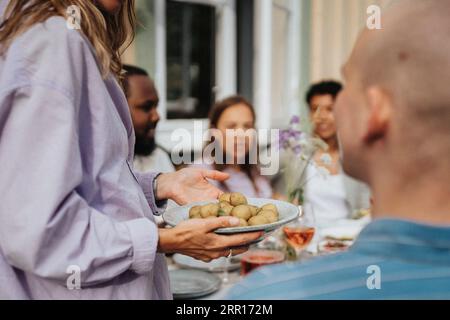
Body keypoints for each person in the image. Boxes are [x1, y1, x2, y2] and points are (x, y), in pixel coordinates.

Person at [0, 0, 261, 300]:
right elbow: (39, 231)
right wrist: (165, 240)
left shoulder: (66, 37)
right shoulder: (51, 41)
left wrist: (159, 185)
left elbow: (84, 184)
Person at [228, 0, 450, 300]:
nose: (323, 115)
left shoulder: (265, 294)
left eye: (347, 84)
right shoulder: (296, 152)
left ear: (375, 111)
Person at [303, 81, 371, 226]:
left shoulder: (356, 157)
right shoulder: (296, 155)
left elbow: (366, 206)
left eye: (330, 109)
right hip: (305, 238)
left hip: (346, 239)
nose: (321, 116)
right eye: (315, 109)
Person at [191, 96, 273, 199]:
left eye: (247, 126)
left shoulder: (254, 172)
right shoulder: (201, 172)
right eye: (231, 126)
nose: (241, 134)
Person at [122, 64, 175, 175]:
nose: (156, 116)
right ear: (118, 108)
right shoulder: (104, 167)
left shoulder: (160, 157)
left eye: (156, 106)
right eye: (146, 107)